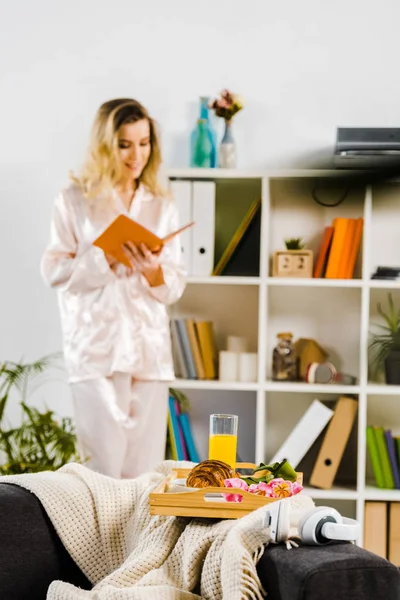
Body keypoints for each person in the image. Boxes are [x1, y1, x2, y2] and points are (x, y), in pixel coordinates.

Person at [41, 98, 186, 479]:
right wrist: (104, 259)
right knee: (100, 472)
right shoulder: (74, 200)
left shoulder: (161, 204)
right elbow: (54, 270)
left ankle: (139, 542)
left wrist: (153, 271)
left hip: (147, 352)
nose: (136, 154)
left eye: (144, 143)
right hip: (95, 350)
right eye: (125, 144)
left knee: (144, 476)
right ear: (106, 145)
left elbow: (173, 287)